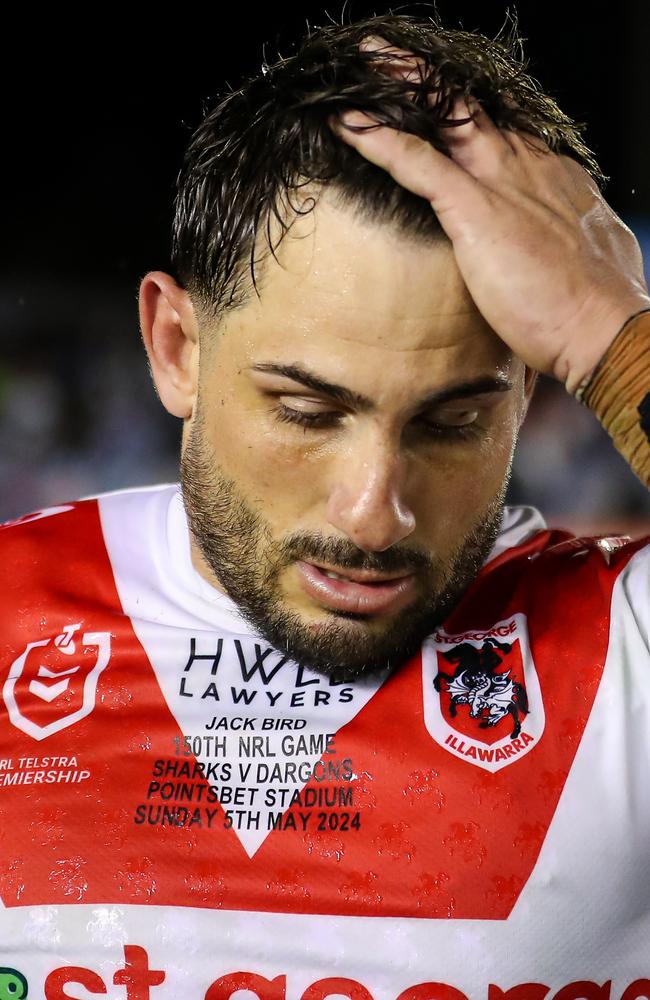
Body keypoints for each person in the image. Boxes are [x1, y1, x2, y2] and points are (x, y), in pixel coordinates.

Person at [1, 12, 650, 999]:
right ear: (174, 346)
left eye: (448, 423)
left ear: (526, 389)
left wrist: (607, 330)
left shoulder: (624, 654)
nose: (370, 515)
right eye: (305, 411)